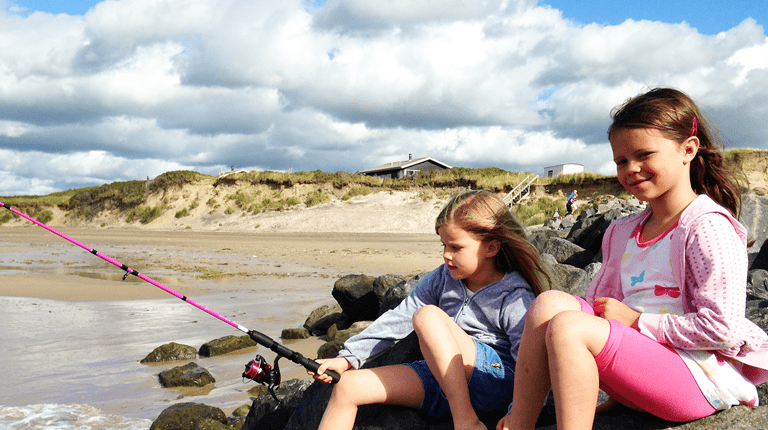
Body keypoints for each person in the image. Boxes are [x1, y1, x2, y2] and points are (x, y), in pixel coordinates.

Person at [497, 88, 768, 430]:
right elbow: (605, 311)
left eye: (644, 155)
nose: (632, 169)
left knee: (568, 327)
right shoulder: (623, 230)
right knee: (549, 304)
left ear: (688, 149)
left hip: (701, 375)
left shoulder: (707, 226)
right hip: (650, 366)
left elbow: (722, 329)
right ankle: (520, 422)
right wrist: (621, 387)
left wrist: (638, 321)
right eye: (621, 161)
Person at [310, 190, 551, 430]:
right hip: (444, 379)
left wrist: (517, 415)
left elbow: (531, 362)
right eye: (444, 245)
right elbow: (399, 317)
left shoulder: (514, 294)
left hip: (495, 381)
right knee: (347, 387)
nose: (446, 255)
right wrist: (347, 357)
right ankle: (461, 412)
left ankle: (466, 421)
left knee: (427, 317)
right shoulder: (443, 277)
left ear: (491, 248)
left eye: (456, 247)